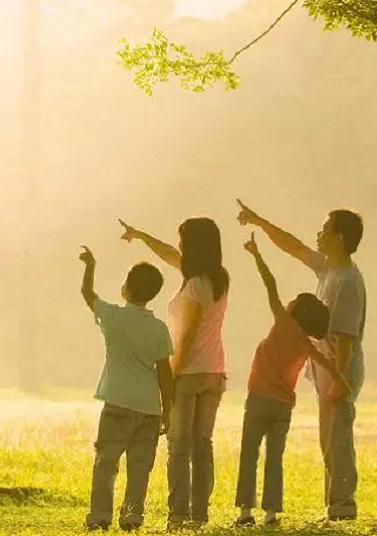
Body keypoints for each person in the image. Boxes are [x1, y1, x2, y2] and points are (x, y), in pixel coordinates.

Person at [237, 200, 366, 521]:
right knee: (328, 437)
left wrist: (339, 377)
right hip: (329, 367)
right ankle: (335, 505)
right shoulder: (328, 268)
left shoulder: (347, 281)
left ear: (338, 238)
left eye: (325, 229)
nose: (318, 234)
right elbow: (293, 246)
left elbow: (346, 337)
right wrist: (259, 220)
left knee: (337, 438)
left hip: (341, 367)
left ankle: (343, 507)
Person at [119, 217, 229, 528]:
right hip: (215, 370)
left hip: (190, 372)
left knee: (179, 446)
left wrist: (170, 375)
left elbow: (188, 335)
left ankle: (179, 515)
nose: (178, 246)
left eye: (182, 241)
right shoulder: (218, 278)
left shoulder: (194, 285)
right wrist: (142, 235)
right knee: (202, 444)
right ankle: (199, 514)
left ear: (193, 245)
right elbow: (168, 253)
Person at [78, 246, 175, 531]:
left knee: (106, 462)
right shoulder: (158, 328)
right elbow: (165, 372)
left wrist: (90, 266)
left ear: (127, 288)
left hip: (118, 402)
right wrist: (166, 409)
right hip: (148, 407)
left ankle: (99, 516)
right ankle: (132, 516)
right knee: (140, 466)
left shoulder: (113, 317)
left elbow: (88, 295)